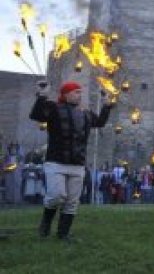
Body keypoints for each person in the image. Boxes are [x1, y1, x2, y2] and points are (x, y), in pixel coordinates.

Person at [29, 80, 113, 240]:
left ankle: (63, 234)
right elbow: (36, 115)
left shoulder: (86, 113)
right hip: (56, 162)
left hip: (77, 164)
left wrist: (106, 105)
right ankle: (45, 225)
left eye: (80, 92)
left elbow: (100, 122)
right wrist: (42, 96)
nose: (79, 95)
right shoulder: (54, 108)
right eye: (76, 92)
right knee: (56, 196)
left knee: (72, 201)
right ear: (66, 94)